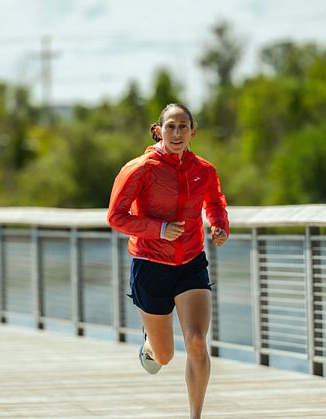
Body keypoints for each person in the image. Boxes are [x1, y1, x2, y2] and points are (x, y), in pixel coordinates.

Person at [107, 103, 229, 419]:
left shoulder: (204, 170)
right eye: (170, 127)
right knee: (164, 355)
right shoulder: (139, 168)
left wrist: (218, 225)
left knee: (198, 343)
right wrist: (159, 230)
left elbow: (215, 204)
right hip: (150, 263)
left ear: (193, 131)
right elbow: (116, 217)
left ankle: (196, 415)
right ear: (159, 130)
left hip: (190, 261)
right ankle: (150, 345)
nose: (177, 133)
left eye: (183, 126)